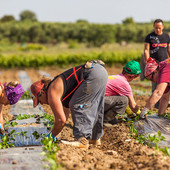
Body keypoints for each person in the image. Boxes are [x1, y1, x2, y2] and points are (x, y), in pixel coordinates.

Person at [30, 60, 108, 149]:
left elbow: (60, 120)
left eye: (39, 100)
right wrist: (57, 131)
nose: (42, 103)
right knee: (95, 104)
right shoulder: (60, 88)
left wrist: (50, 137)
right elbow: (64, 115)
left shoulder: (52, 91)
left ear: (42, 93)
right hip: (100, 71)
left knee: (77, 104)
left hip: (92, 73)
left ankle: (82, 140)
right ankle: (95, 138)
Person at [142, 19, 170, 108]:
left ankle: (166, 102)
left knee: (166, 84)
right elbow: (146, 50)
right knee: (155, 84)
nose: (157, 29)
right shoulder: (149, 37)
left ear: (162, 27)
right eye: (156, 28)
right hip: (154, 65)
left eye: (159, 28)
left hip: (165, 64)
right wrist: (148, 62)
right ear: (154, 27)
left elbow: (169, 49)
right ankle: (156, 105)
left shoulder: (166, 36)